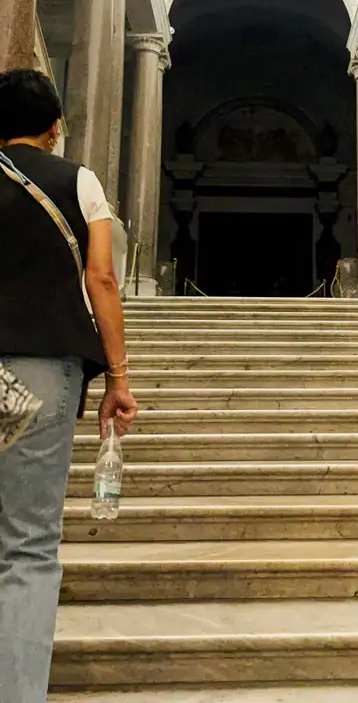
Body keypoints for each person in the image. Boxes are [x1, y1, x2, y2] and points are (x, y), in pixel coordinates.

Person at [0, 68, 138, 703]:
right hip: (37, 370)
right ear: (54, 128)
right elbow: (102, 280)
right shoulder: (78, 181)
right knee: (26, 547)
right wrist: (119, 376)